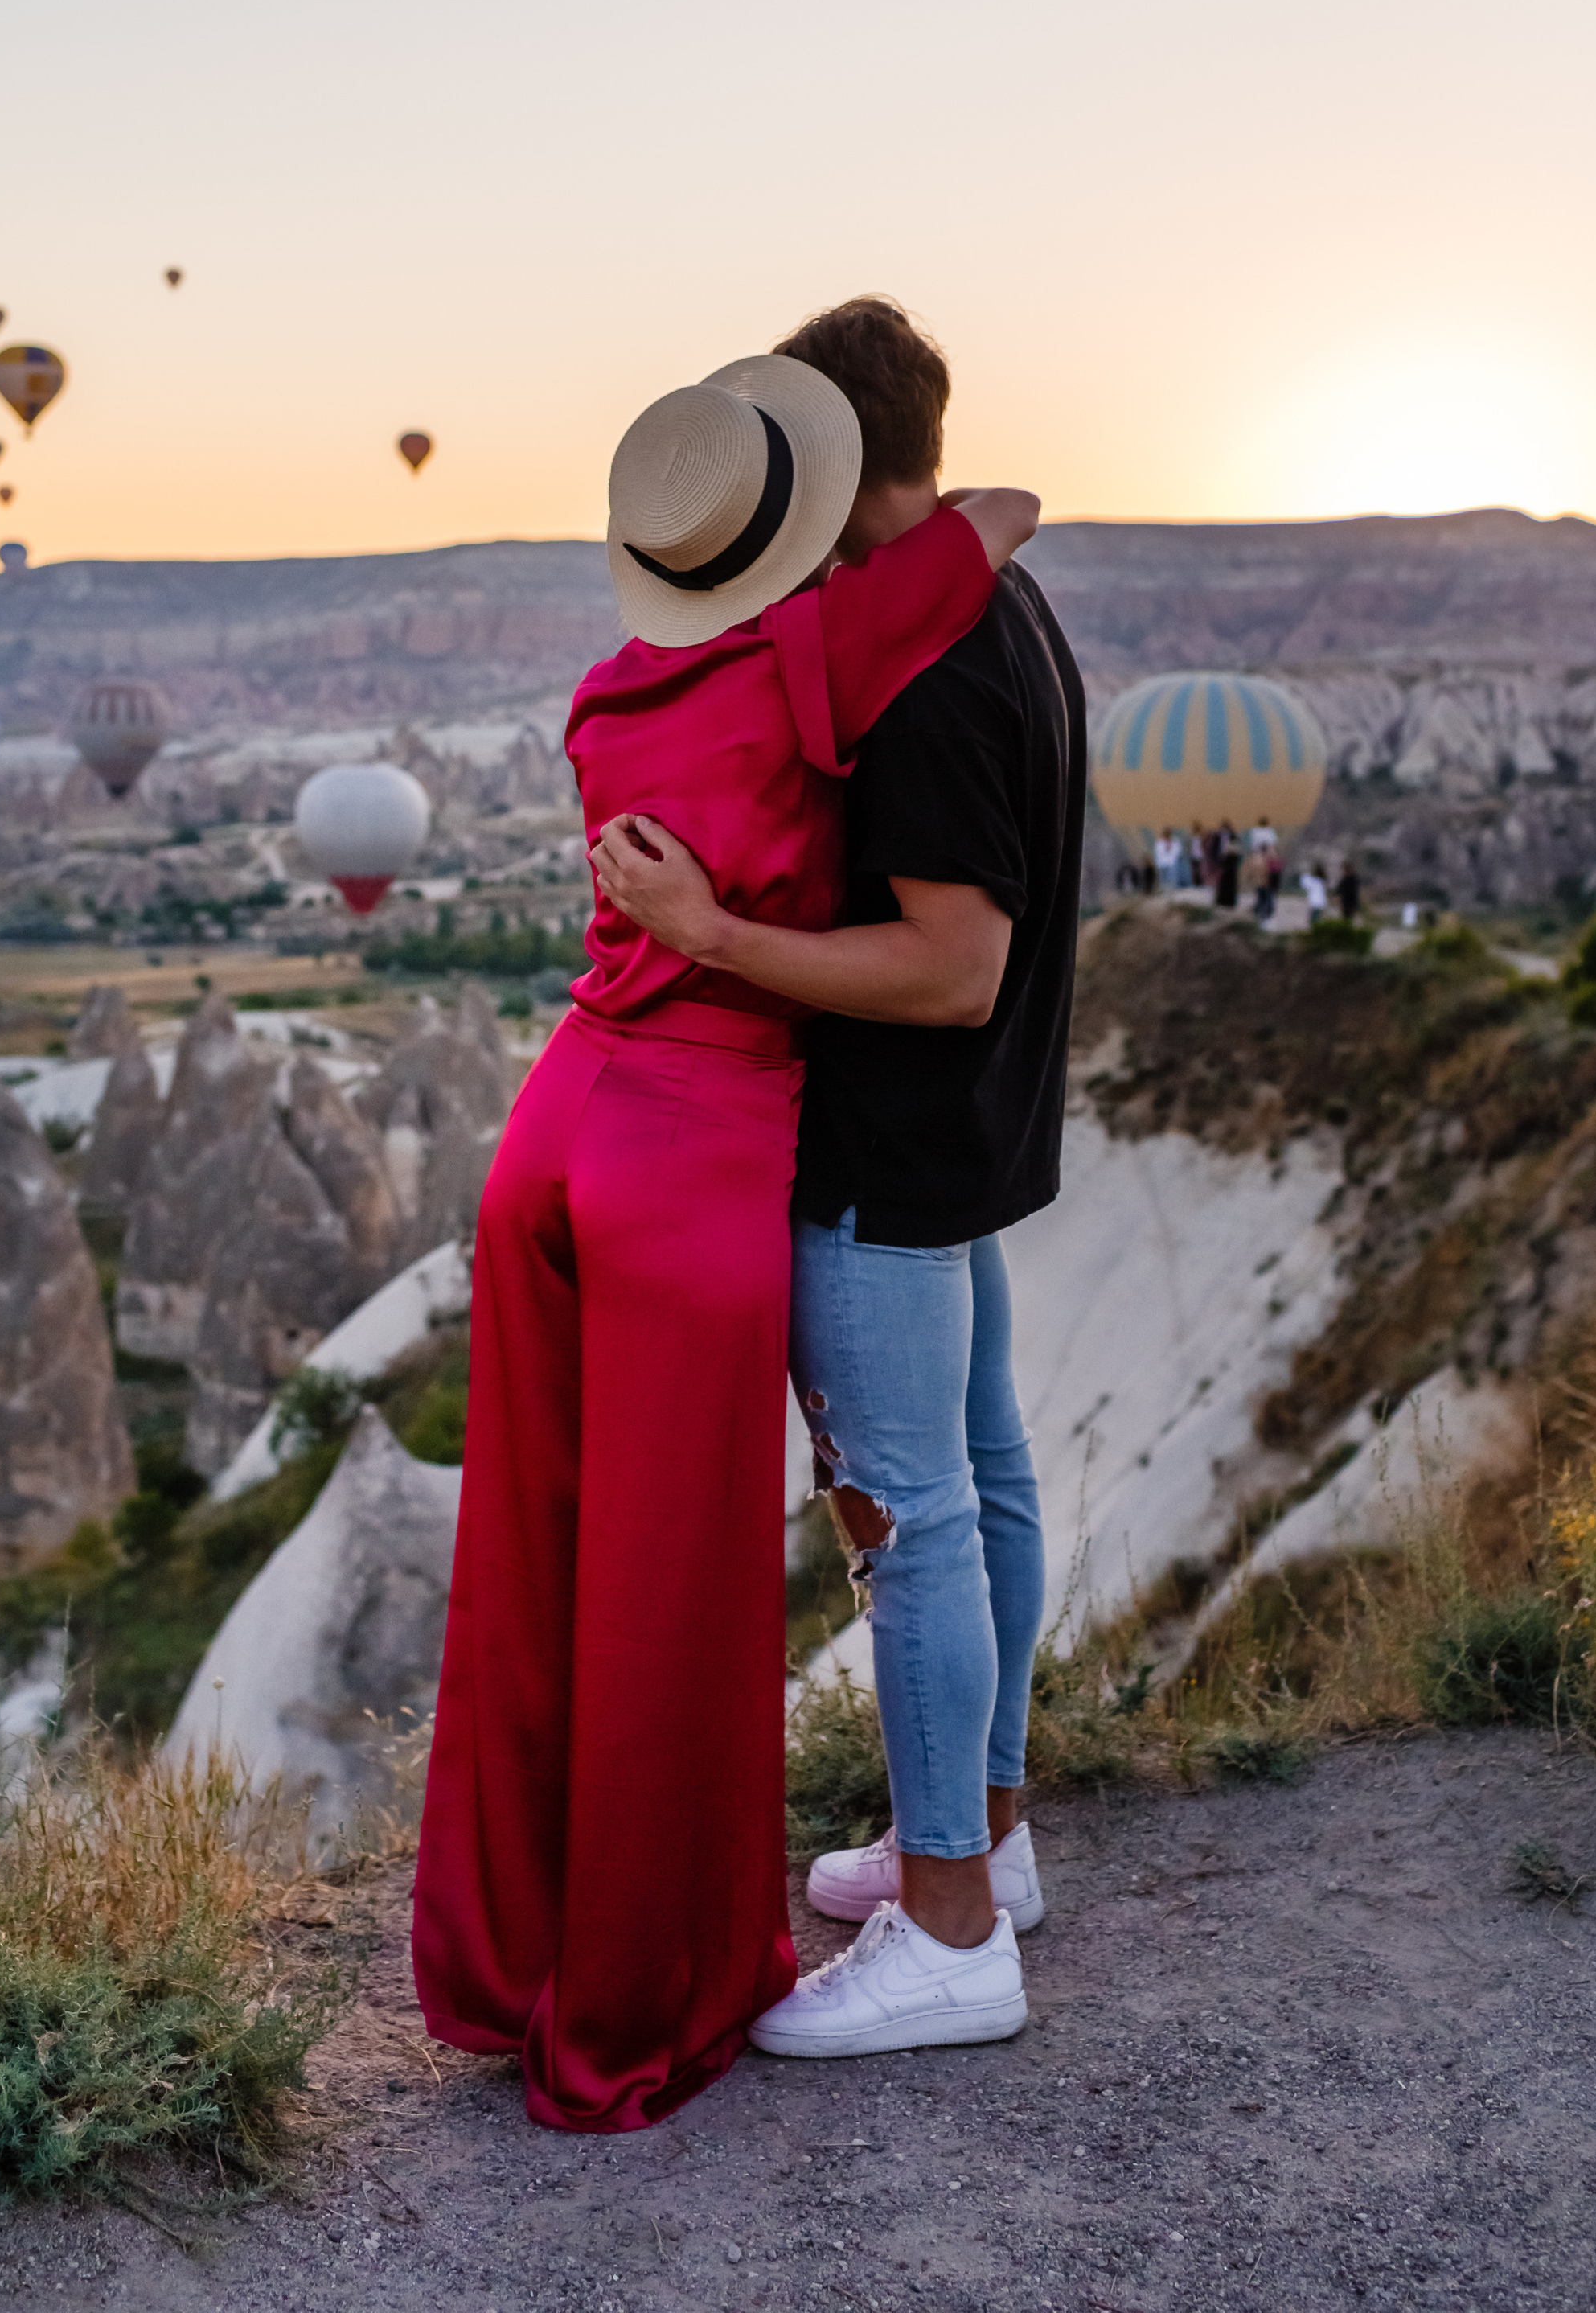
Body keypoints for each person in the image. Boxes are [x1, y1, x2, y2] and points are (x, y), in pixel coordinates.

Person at [412, 349, 1039, 2133]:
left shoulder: (611, 690)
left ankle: (506, 1962)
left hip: (556, 1123)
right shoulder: (821, 661)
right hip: (692, 1146)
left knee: (536, 1566)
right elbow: (1002, 513)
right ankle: (635, 2004)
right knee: (665, 1597)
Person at [596, 295, 1086, 2066]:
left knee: (907, 1525)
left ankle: (949, 1931)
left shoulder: (929, 684)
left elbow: (947, 966)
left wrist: (705, 931)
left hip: (886, 1149)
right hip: (972, 1136)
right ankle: (984, 1849)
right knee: (989, 1475)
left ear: (822, 460)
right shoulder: (992, 604)